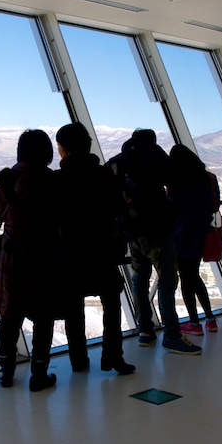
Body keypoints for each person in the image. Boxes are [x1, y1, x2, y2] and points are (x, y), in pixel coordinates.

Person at [106, 128, 201, 355]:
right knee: (167, 280)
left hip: (132, 230)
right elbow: (175, 178)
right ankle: (172, 334)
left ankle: (145, 330)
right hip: (157, 228)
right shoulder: (153, 153)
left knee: (140, 278)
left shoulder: (118, 160)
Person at [54, 122, 136, 375]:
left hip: (70, 253)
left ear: (63, 149)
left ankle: (79, 360)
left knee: (73, 308)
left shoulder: (57, 180)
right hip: (103, 249)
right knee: (111, 303)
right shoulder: (104, 176)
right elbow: (121, 210)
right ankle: (113, 356)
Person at [0, 129, 63, 391]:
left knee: (11, 315)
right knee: (43, 317)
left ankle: (5, 370)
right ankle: (39, 373)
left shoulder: (9, 179)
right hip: (44, 256)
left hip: (11, 260)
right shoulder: (53, 181)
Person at [168, 144, 219, 335]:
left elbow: (171, 206)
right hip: (201, 232)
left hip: (181, 234)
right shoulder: (209, 178)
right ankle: (210, 319)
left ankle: (194, 323)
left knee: (186, 279)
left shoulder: (177, 181)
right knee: (195, 276)